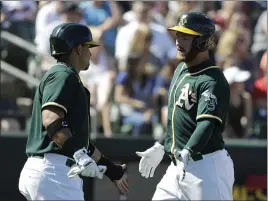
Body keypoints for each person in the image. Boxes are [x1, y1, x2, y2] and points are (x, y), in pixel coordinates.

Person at [18, 23, 128, 200]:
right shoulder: (63, 74)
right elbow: (51, 119)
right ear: (78, 48)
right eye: (88, 46)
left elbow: (80, 143)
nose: (91, 53)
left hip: (52, 171)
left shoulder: (66, 75)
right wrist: (79, 154)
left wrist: (111, 170)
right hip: (55, 171)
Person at [136, 12, 234, 200]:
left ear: (203, 41)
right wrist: (160, 145)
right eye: (178, 35)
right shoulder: (181, 69)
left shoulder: (212, 80)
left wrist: (188, 151)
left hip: (206, 167)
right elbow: (179, 121)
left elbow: (206, 125)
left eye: (186, 37)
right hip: (177, 166)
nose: (178, 41)